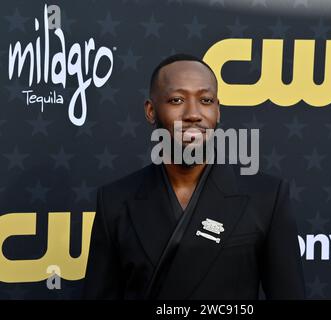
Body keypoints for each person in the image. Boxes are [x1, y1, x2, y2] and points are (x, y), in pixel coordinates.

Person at [83, 53, 305, 299]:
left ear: (218, 111)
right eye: (177, 100)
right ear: (150, 110)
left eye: (206, 100)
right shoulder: (115, 201)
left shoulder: (266, 198)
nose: (193, 114)